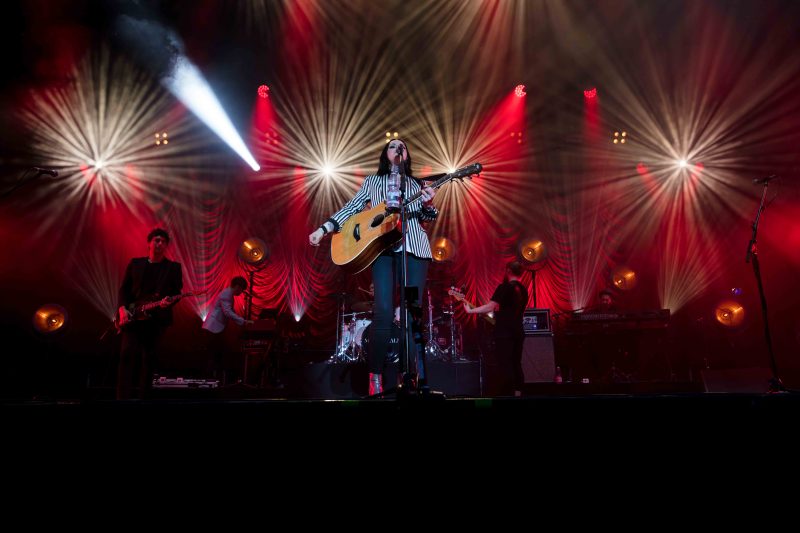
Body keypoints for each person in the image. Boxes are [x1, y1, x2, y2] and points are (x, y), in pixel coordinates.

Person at [309, 139, 438, 395]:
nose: (398, 148)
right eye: (392, 146)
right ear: (385, 154)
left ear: (407, 154)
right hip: (382, 250)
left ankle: (410, 377)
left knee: (412, 315)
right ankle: (375, 376)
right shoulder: (372, 182)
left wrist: (428, 204)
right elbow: (352, 207)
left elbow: (428, 218)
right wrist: (324, 228)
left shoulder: (417, 184)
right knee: (383, 313)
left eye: (402, 146)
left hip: (415, 251)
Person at [116, 228, 183, 399]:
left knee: (149, 359)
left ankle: (144, 400)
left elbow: (177, 292)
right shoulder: (135, 263)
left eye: (163, 241)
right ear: (149, 243)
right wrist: (122, 309)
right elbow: (124, 289)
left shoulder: (173, 267)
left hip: (156, 318)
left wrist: (168, 302)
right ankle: (122, 398)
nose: (160, 244)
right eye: (156, 240)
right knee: (126, 355)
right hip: (133, 314)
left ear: (166, 246)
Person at [464, 261, 528, 396]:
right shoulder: (523, 289)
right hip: (518, 330)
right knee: (516, 363)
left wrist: (470, 311)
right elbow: (513, 313)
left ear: (508, 270)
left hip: (504, 333)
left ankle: (508, 395)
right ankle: (518, 394)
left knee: (505, 364)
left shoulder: (504, 287)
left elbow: (490, 307)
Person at [201, 276, 254, 383]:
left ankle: (215, 380)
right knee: (214, 355)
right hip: (213, 328)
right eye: (242, 290)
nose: (241, 292)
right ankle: (211, 381)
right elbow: (228, 312)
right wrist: (243, 321)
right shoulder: (226, 295)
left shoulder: (228, 293)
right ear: (238, 287)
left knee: (216, 355)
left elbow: (230, 311)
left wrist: (242, 321)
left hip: (215, 328)